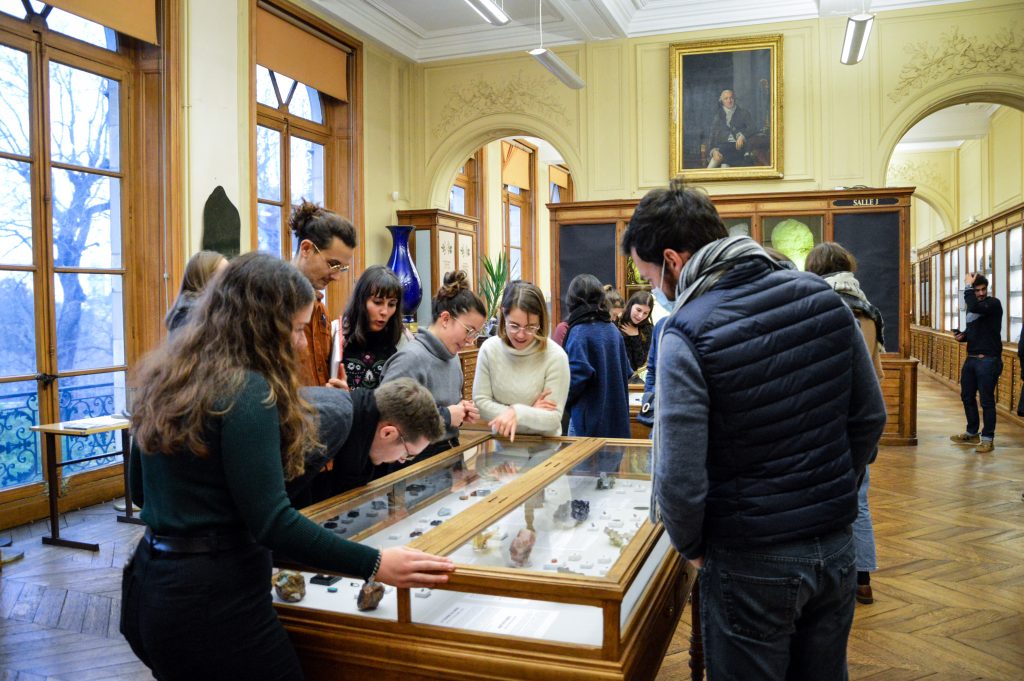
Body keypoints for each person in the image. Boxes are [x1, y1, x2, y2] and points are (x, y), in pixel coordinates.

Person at [121, 253, 453, 680]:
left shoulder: (168, 375)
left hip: (152, 584)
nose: (300, 343)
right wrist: (375, 562)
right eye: (296, 328)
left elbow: (140, 491)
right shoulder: (247, 389)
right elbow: (272, 521)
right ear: (262, 324)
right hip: (213, 601)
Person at [621, 178, 886, 681]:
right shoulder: (825, 300)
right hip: (834, 547)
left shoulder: (686, 330)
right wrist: (832, 494)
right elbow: (869, 418)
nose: (654, 289)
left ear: (674, 261)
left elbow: (678, 475)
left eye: (650, 275)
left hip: (750, 559)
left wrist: (694, 547)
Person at [806, 242, 886, 606]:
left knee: (819, 500)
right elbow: (877, 372)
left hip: (823, 419)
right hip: (860, 416)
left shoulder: (816, 305)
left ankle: (824, 578)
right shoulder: (868, 310)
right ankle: (862, 579)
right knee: (860, 498)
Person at [381, 270, 484, 462]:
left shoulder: (452, 358)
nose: (470, 341)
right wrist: (446, 416)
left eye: (475, 334)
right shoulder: (411, 358)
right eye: (469, 331)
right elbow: (387, 417)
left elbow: (446, 408)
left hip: (450, 455)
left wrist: (461, 411)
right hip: (416, 464)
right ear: (445, 319)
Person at [287, 378, 446, 501]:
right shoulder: (335, 420)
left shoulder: (356, 415)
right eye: (407, 453)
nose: (402, 460)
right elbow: (272, 507)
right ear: (388, 433)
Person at [473, 281, 570, 440]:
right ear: (503, 316)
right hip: (501, 448)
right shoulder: (489, 350)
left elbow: (552, 419)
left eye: (531, 327)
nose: (521, 335)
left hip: (545, 450)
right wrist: (531, 412)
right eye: (514, 326)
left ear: (541, 323)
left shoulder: (556, 357)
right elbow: (481, 405)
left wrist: (517, 413)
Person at [289, 200, 357, 388]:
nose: (337, 276)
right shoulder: (271, 305)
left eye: (342, 268)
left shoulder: (321, 312)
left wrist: (334, 394)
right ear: (306, 249)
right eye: (333, 264)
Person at [562, 273, 632, 439]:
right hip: (617, 423)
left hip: (588, 425)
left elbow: (575, 378)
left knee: (580, 465)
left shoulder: (579, 331)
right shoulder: (613, 330)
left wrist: (560, 400)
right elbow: (627, 371)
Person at [950, 273, 1004, 453]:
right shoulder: (975, 309)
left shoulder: (993, 304)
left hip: (988, 361)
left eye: (983, 290)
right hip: (971, 359)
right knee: (967, 396)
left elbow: (972, 304)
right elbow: (974, 330)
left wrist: (967, 286)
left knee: (987, 401)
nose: (980, 293)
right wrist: (962, 336)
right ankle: (972, 432)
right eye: (977, 290)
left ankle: (988, 438)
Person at [341, 265, 406, 390]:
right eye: (377, 302)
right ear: (361, 301)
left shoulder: (402, 340)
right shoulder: (339, 336)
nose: (385, 312)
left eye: (392, 304)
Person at [164, 250, 227, 334]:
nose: (230, 278)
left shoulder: (214, 312)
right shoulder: (186, 320)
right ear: (204, 280)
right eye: (224, 274)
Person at [706, 89, 757, 169]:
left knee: (723, 164)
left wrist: (742, 136)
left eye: (731, 98)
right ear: (721, 100)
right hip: (722, 148)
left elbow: (753, 128)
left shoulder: (743, 113)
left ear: (735, 99)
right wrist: (713, 151)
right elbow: (712, 136)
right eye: (726, 99)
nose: (729, 101)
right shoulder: (718, 116)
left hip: (738, 148)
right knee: (718, 165)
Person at [617, 290, 654, 373]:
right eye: (638, 310)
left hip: (633, 379)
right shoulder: (616, 320)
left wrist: (635, 336)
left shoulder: (648, 328)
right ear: (631, 305)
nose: (640, 316)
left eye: (645, 313)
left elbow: (640, 364)